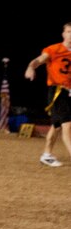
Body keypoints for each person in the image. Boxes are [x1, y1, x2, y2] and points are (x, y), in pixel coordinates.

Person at [24, 21, 71, 167]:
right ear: (63, 34)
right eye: (69, 31)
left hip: (69, 92)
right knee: (68, 125)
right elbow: (39, 60)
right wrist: (31, 67)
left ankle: (47, 155)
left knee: (56, 126)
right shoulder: (54, 49)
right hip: (58, 92)